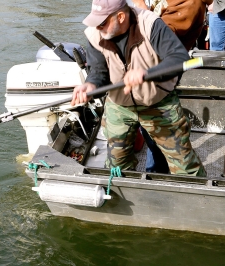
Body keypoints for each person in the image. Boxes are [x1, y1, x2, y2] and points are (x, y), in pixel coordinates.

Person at [71, 0, 206, 176]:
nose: (97, 28)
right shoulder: (94, 35)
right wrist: (90, 84)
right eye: (94, 23)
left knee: (184, 163)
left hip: (158, 102)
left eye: (102, 23)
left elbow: (179, 58)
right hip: (119, 105)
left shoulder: (151, 24)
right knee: (116, 165)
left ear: (120, 17)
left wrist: (147, 73)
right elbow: (98, 71)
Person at [132, 0, 212, 173]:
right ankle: (158, 164)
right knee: (150, 124)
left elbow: (159, 36)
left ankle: (160, 169)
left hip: (162, 73)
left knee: (158, 125)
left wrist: (140, 5)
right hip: (153, 69)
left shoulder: (191, 4)